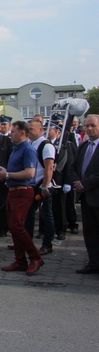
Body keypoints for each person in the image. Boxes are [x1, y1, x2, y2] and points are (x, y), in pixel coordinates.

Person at [0, 121, 42, 275]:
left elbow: (30, 173)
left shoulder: (28, 149)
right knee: (13, 226)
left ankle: (35, 257)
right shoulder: (16, 149)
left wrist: (7, 174)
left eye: (13, 131)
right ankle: (20, 260)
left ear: (22, 132)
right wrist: (5, 173)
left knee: (17, 226)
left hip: (23, 191)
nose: (10, 134)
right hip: (12, 190)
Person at [73, 114, 99, 274]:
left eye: (93, 125)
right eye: (86, 126)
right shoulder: (83, 146)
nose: (89, 129)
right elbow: (73, 166)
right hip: (86, 198)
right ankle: (94, 263)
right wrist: (76, 181)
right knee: (90, 233)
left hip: (96, 194)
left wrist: (83, 184)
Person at [25, 119, 56, 255]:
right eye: (28, 129)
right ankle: (27, 242)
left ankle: (47, 244)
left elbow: (49, 168)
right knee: (28, 215)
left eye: (31, 129)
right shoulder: (30, 144)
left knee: (46, 216)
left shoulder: (46, 146)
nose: (28, 132)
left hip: (42, 186)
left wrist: (44, 187)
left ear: (40, 130)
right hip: (31, 185)